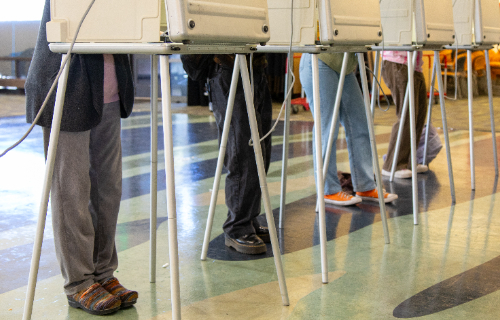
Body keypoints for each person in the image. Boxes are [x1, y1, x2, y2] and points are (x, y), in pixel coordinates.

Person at [24, 0, 138, 315]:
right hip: (67, 87)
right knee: (71, 190)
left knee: (108, 189)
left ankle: (103, 273)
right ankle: (78, 282)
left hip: (110, 92)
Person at [181, 54, 272, 254]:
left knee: (261, 151)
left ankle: (247, 217)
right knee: (243, 152)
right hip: (229, 69)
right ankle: (237, 226)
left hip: (254, 68)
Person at [299, 52, 397, 206]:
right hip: (320, 58)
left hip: (344, 64)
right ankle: (328, 189)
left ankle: (365, 186)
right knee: (327, 126)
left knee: (359, 123)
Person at [381, 51, 429, 179]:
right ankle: (392, 165)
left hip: (415, 65)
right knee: (406, 116)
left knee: (419, 115)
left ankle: (408, 162)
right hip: (397, 61)